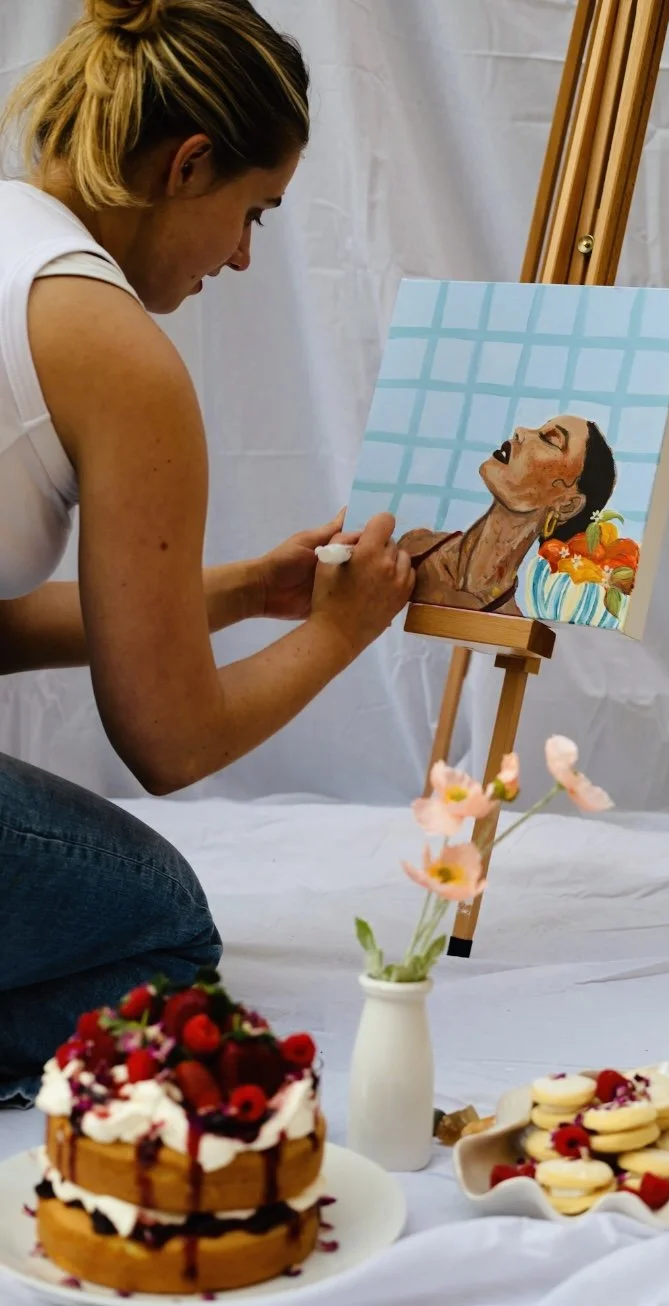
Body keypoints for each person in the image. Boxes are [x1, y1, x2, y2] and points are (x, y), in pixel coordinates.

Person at [0, 0, 414, 1107]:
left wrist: (237, 592)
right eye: (253, 212)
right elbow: (169, 743)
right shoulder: (112, 346)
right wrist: (343, 633)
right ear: (188, 164)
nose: (240, 255)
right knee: (167, 935)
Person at [398, 415, 616, 616]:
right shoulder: (415, 544)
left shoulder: (507, 622)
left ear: (567, 505)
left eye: (550, 440)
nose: (520, 431)